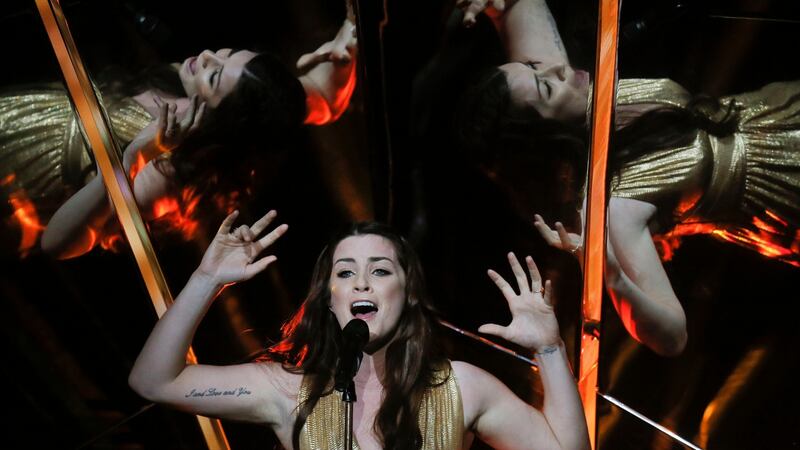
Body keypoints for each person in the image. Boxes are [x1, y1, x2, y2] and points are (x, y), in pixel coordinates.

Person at [454, 0, 800, 356]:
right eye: (545, 89)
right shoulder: (612, 205)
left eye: (534, 66)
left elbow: (517, 5)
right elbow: (672, 336)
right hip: (779, 190)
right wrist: (613, 275)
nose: (557, 69)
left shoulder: (571, 90)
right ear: (544, 138)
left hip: (776, 112)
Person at [128, 209, 590, 450]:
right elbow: (154, 381)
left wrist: (550, 349)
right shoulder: (289, 391)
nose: (362, 282)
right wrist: (207, 280)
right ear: (329, 297)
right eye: (345, 273)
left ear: (408, 293)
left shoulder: (462, 387)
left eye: (381, 271)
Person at [0, 18, 358, 259]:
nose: (205, 57)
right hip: (23, 115)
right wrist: (352, 33)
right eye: (224, 54)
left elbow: (57, 243)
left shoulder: (167, 173)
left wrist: (132, 159)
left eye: (215, 76)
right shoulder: (204, 91)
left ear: (224, 119)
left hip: (19, 183)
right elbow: (321, 98)